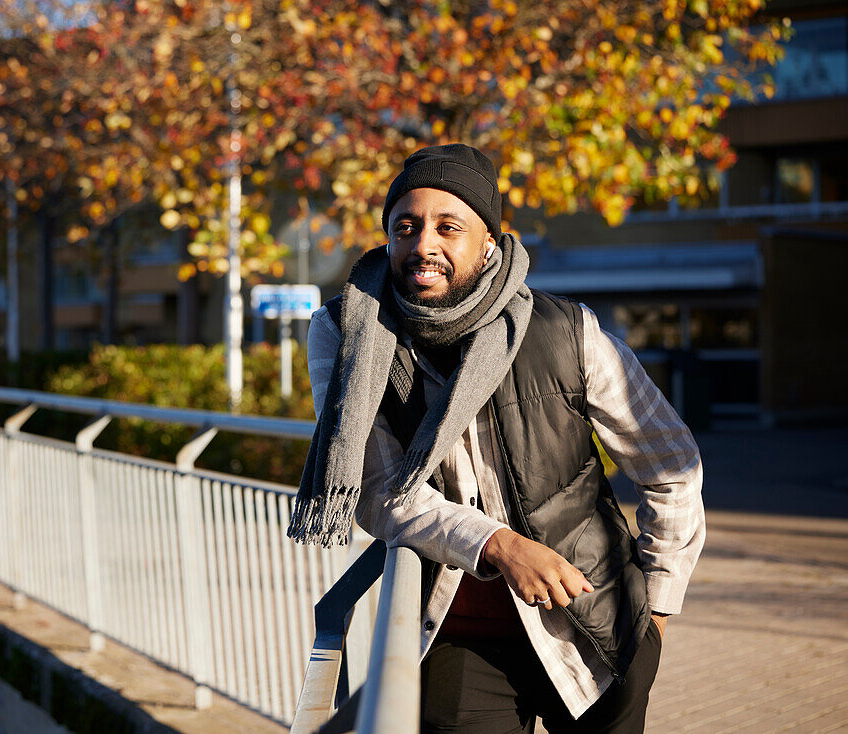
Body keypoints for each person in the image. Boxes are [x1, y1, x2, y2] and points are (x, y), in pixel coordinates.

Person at [288, 144, 705, 733]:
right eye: (405, 226)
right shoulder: (347, 332)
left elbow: (672, 464)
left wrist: (658, 607)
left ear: (488, 243)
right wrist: (500, 546)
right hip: (455, 635)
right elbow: (377, 490)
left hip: (595, 630)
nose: (423, 244)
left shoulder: (566, 332)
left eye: (447, 226)